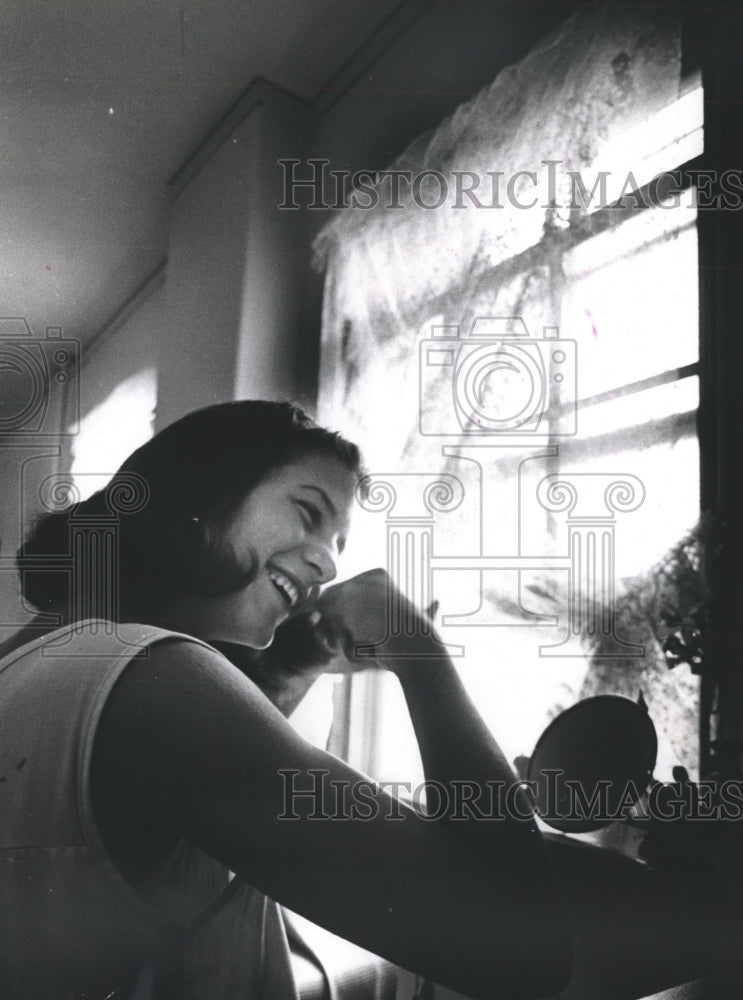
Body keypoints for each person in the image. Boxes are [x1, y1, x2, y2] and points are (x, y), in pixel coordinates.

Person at [0, 400, 572, 1000]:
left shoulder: (41, 657)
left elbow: (209, 787)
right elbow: (527, 955)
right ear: (201, 487)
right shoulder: (156, 679)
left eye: (338, 542)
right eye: (308, 512)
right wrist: (418, 651)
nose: (327, 562)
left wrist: (301, 662)